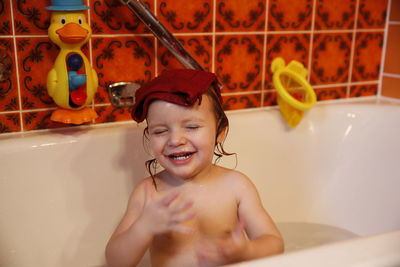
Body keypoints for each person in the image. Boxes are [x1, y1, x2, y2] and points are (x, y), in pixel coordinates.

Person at [105, 69, 284, 267]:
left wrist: (247, 251)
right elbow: (115, 262)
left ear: (220, 132)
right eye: (160, 131)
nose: (175, 140)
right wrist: (143, 228)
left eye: (191, 127)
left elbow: (274, 243)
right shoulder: (149, 193)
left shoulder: (237, 186)